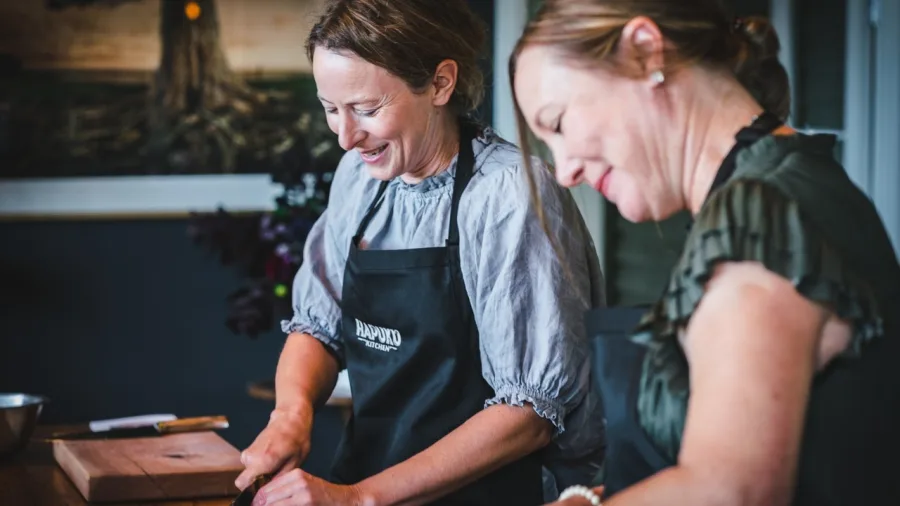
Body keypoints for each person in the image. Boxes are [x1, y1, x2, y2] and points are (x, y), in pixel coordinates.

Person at [510, 1, 900, 505]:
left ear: (645, 52)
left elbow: (729, 491)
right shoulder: (782, 183)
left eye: (559, 123)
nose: (564, 172)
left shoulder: (758, 216)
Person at [235, 1, 607, 504]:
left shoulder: (506, 194)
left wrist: (359, 498)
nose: (345, 137)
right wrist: (290, 416)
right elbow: (318, 324)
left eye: (367, 109)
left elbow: (529, 414)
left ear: (440, 83)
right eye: (330, 109)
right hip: (370, 480)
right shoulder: (360, 179)